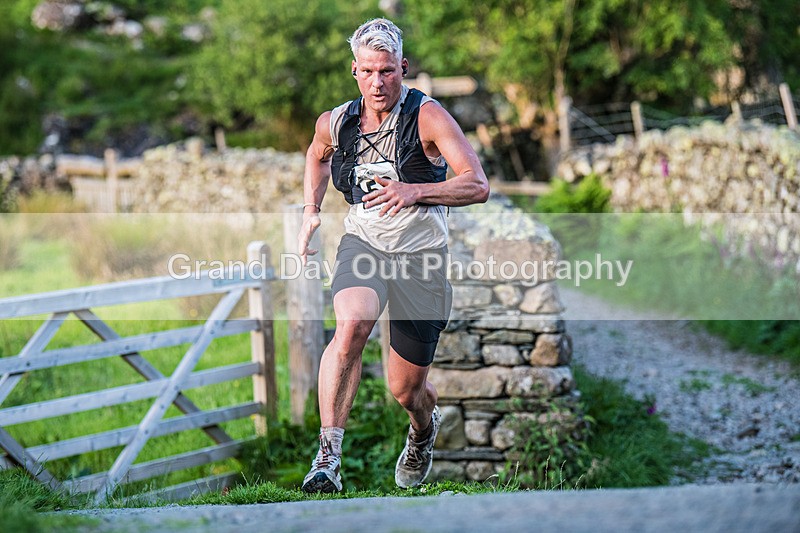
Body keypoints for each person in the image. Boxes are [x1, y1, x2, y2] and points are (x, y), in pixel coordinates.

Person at [297, 18, 489, 493]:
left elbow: (477, 184)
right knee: (351, 324)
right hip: (365, 245)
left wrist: (416, 191)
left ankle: (423, 429)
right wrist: (310, 210)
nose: (378, 82)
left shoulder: (428, 117)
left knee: (405, 389)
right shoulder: (336, 121)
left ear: (403, 67)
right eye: (368, 71)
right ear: (354, 72)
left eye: (387, 71)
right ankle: (328, 457)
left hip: (421, 256)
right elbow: (317, 156)